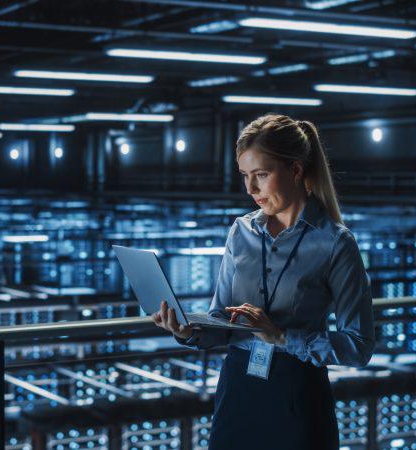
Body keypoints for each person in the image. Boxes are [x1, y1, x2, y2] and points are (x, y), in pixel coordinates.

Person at [152, 114, 375, 450]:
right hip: (238, 389)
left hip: (297, 394)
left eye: (261, 175)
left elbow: (359, 346)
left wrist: (283, 337)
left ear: (296, 170)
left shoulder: (335, 243)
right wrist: (188, 331)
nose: (250, 189)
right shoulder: (239, 232)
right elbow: (221, 319)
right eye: (245, 176)